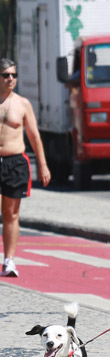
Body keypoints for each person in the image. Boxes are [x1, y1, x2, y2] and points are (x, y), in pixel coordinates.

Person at [0, 58, 51, 277]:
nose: (10, 78)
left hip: (15, 162)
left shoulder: (22, 103)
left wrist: (43, 165)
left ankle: (9, 260)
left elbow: (33, 135)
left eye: (13, 75)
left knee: (11, 214)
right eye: (5, 75)